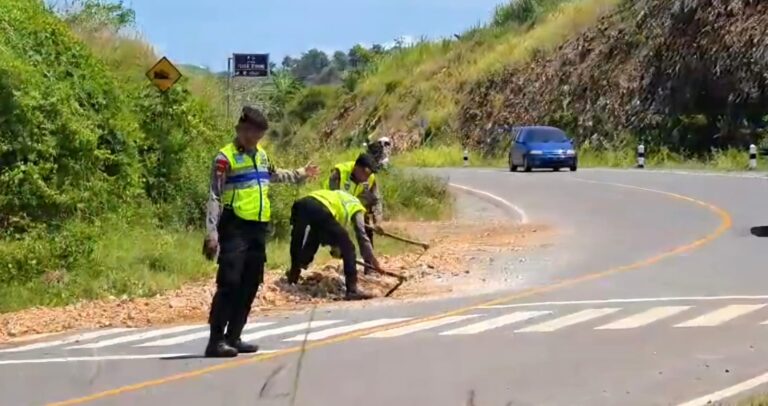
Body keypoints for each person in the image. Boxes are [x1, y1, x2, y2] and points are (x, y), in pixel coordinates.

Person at [202, 106, 319, 358]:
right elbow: (214, 195)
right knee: (229, 282)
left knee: (251, 282)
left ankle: (234, 336)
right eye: (252, 133)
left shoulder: (262, 155)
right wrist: (211, 232)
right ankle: (215, 340)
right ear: (241, 130)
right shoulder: (225, 157)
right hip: (235, 226)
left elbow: (274, 175)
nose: (255, 139)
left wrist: (300, 174)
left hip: (257, 227)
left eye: (259, 135)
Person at [286, 189, 381, 301]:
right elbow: (360, 233)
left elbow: (323, 233)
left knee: (299, 238)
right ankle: (352, 290)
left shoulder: (340, 195)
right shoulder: (356, 206)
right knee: (348, 247)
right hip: (320, 209)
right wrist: (372, 259)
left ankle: (294, 274)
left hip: (301, 204)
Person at [324, 153, 383, 262]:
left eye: (369, 175)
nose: (366, 178)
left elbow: (376, 200)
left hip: (354, 205)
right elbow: (332, 198)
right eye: (365, 174)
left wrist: (377, 221)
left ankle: (369, 264)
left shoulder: (369, 178)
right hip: (332, 205)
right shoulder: (339, 173)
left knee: (364, 230)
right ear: (357, 168)